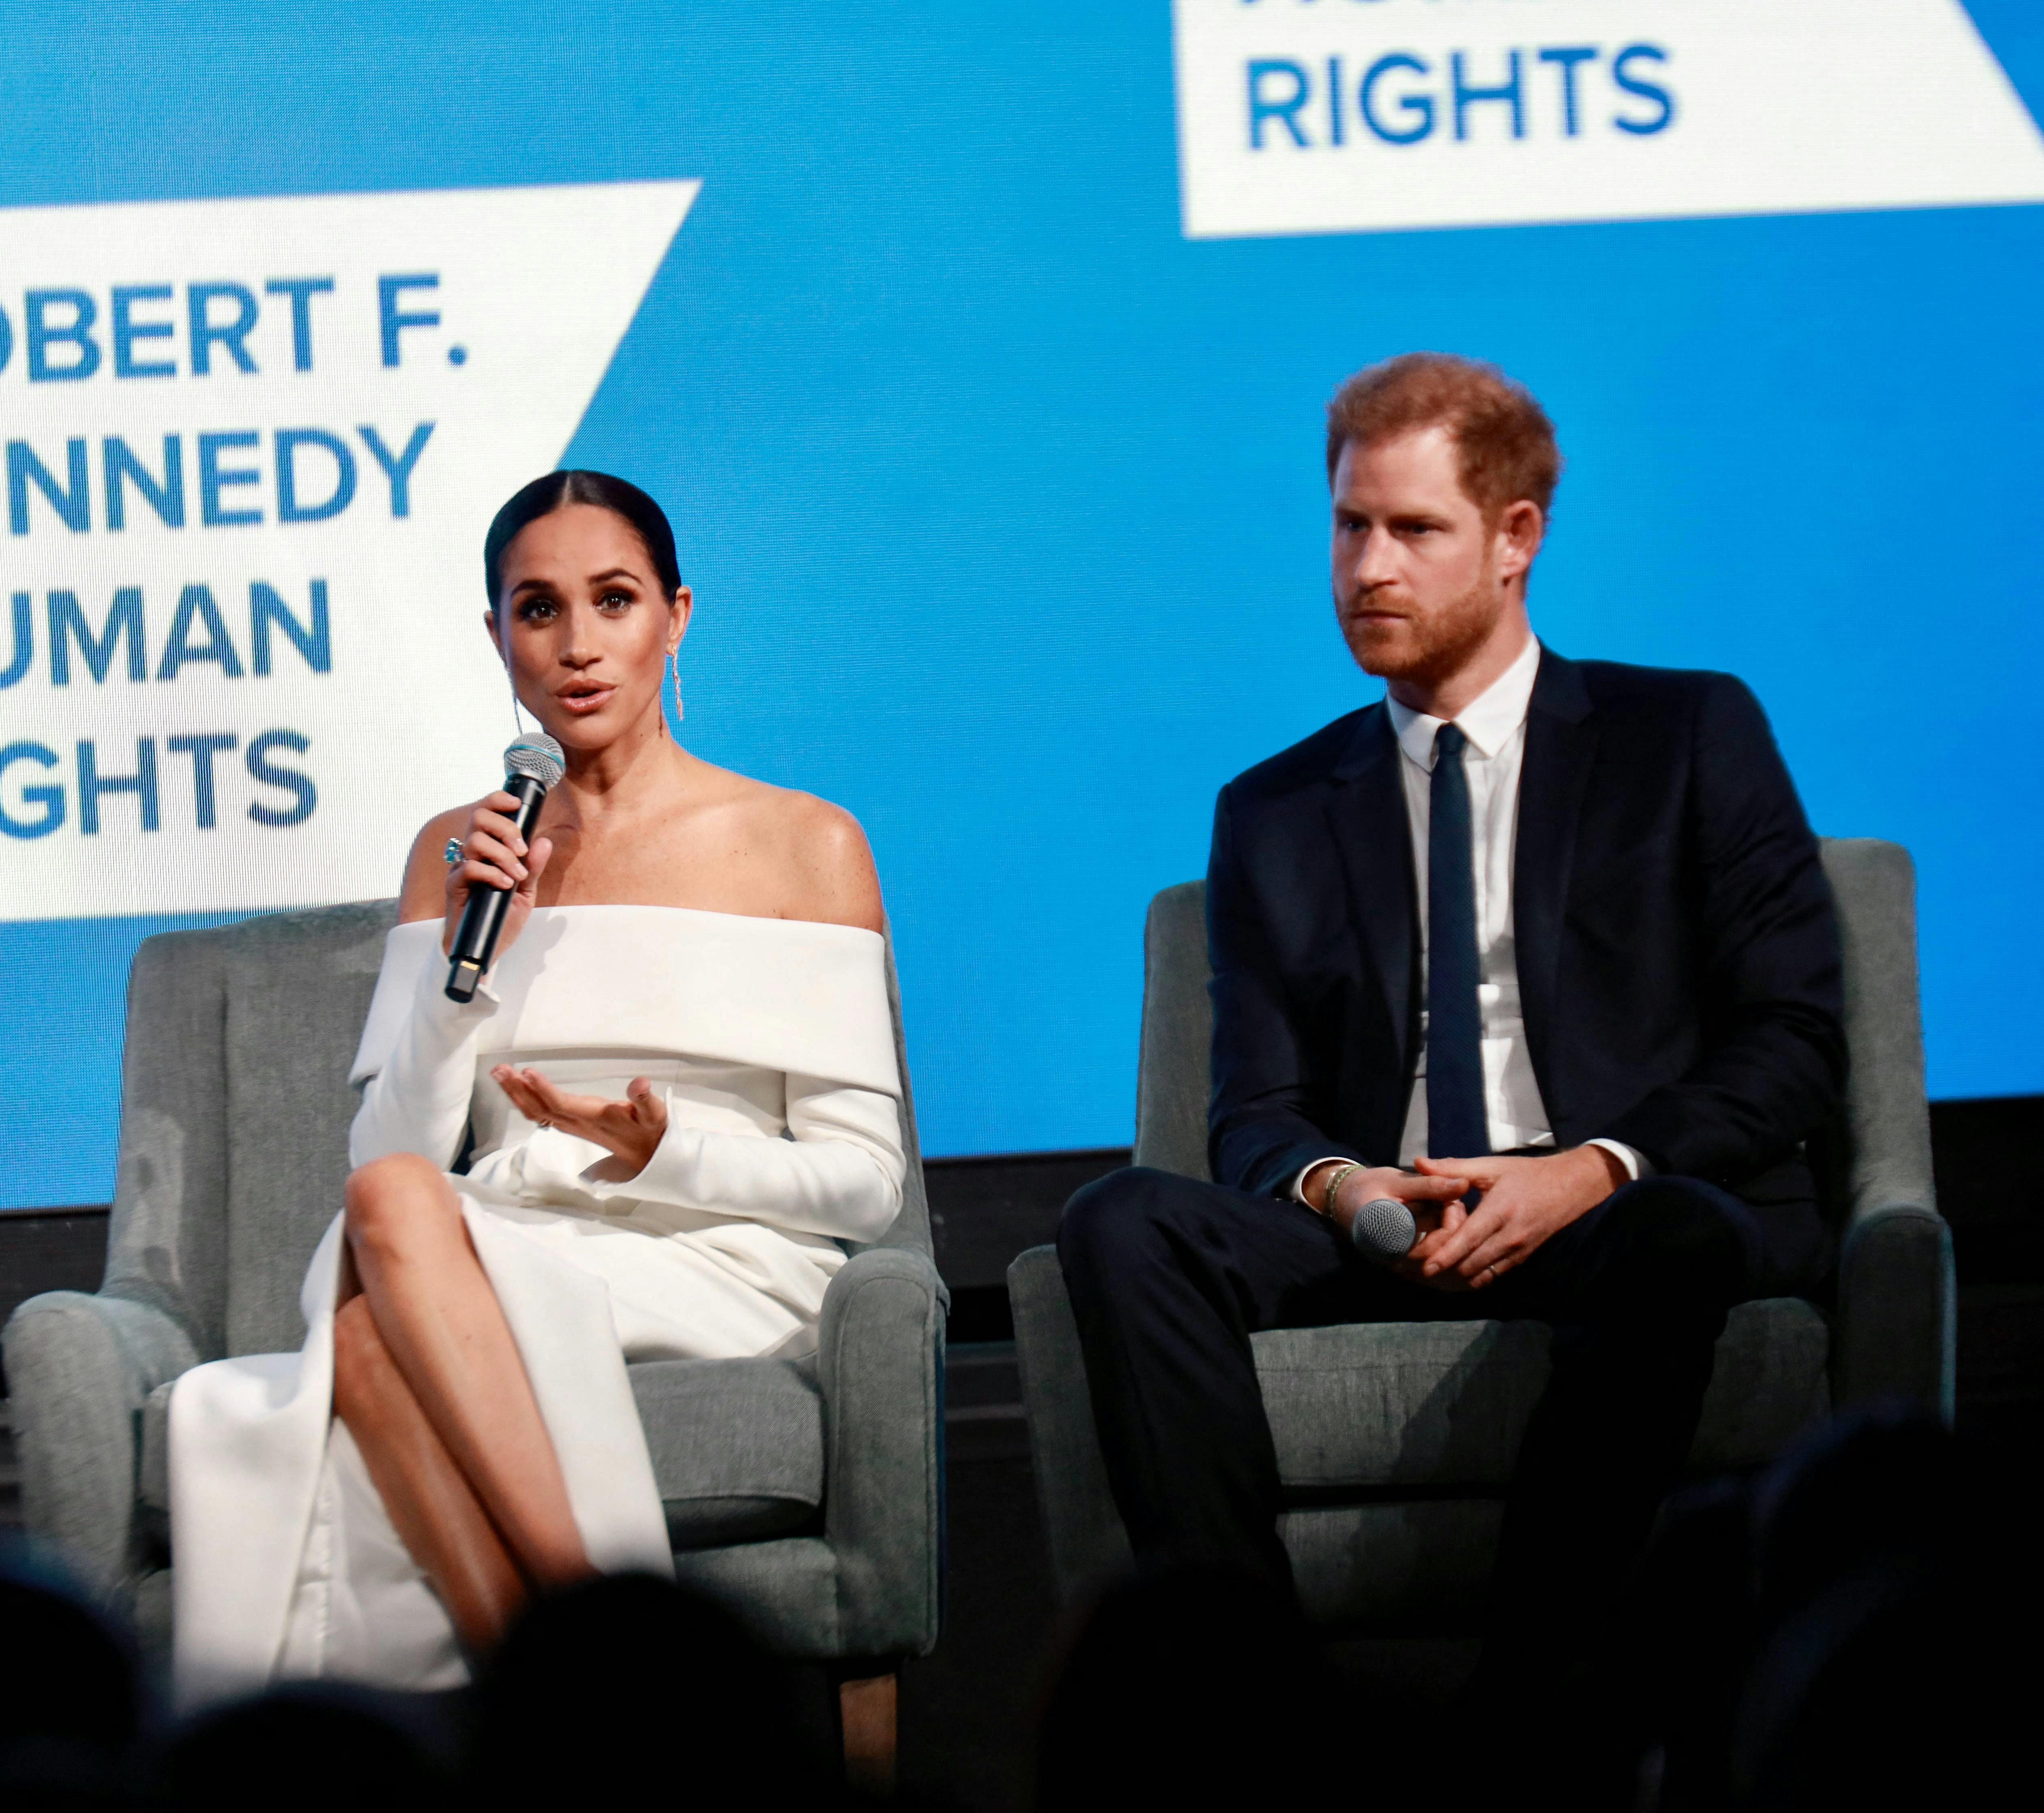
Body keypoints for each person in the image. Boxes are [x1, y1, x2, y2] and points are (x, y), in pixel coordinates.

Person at [1057, 355, 1846, 1707]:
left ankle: (1532, 1717)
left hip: (1613, 1204)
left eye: (1414, 530)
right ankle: (1249, 1712)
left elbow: (1793, 1041)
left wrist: (1590, 1169)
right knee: (1123, 1220)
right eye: (1351, 524)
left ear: (1516, 539)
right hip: (1390, 1217)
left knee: (1669, 1235)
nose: (1369, 566)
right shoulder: (1275, 807)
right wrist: (1343, 1186)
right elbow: (1255, 1106)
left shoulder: (1686, 733)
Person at [168, 470, 904, 1705]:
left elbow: (869, 1189)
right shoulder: (461, 851)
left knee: (371, 1301)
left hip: (716, 1249)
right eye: (537, 609)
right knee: (379, 1255)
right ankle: (591, 1692)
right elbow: (388, 1152)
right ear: (497, 635)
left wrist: (660, 1152)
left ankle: (597, 1674)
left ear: (675, 616)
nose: (575, 646)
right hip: (505, 1241)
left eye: (611, 602)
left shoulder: (803, 842)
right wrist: (463, 976)